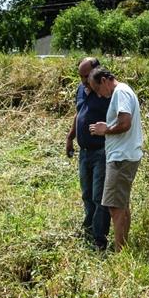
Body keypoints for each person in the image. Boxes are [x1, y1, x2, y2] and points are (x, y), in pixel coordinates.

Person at [88, 67, 143, 252]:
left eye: (98, 89)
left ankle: (121, 252)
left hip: (121, 158)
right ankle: (123, 249)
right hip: (124, 156)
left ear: (104, 80)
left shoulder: (120, 92)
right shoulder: (124, 91)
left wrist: (106, 130)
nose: (101, 96)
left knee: (115, 207)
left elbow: (125, 123)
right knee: (120, 205)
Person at [66, 57, 111, 250]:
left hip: (101, 151)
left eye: (86, 76)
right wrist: (70, 137)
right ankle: (89, 229)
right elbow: (79, 112)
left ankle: (99, 239)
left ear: (96, 71)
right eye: (81, 76)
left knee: (99, 196)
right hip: (84, 152)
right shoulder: (81, 90)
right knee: (86, 194)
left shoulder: (106, 92)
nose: (84, 80)